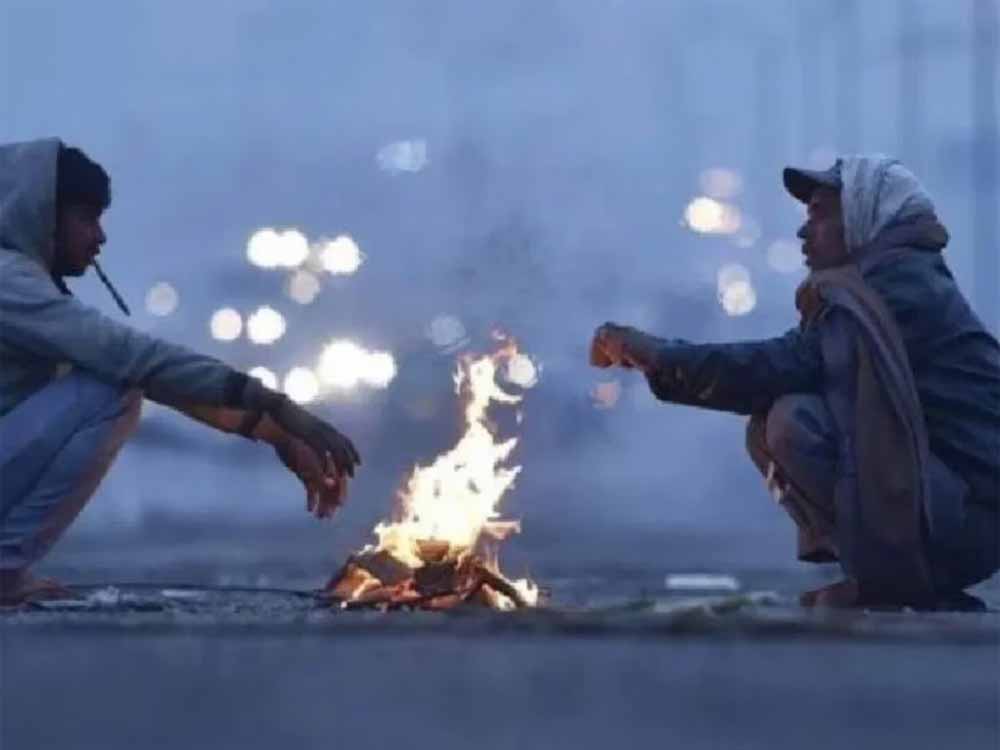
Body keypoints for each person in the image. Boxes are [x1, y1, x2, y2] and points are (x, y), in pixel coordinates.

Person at [591, 155, 999, 609]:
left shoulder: (894, 288)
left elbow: (784, 364)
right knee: (774, 419)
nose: (805, 231)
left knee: (793, 420)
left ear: (865, 217)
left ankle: (895, 582)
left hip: (971, 516)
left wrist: (659, 356)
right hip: (956, 504)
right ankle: (891, 577)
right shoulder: (880, 280)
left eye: (820, 214)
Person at [0, 138, 361, 605]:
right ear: (42, 215)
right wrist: (275, 403)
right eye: (87, 218)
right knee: (112, 391)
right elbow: (136, 362)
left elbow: (156, 378)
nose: (100, 237)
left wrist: (275, 432)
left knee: (116, 382)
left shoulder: (21, 280)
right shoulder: (10, 282)